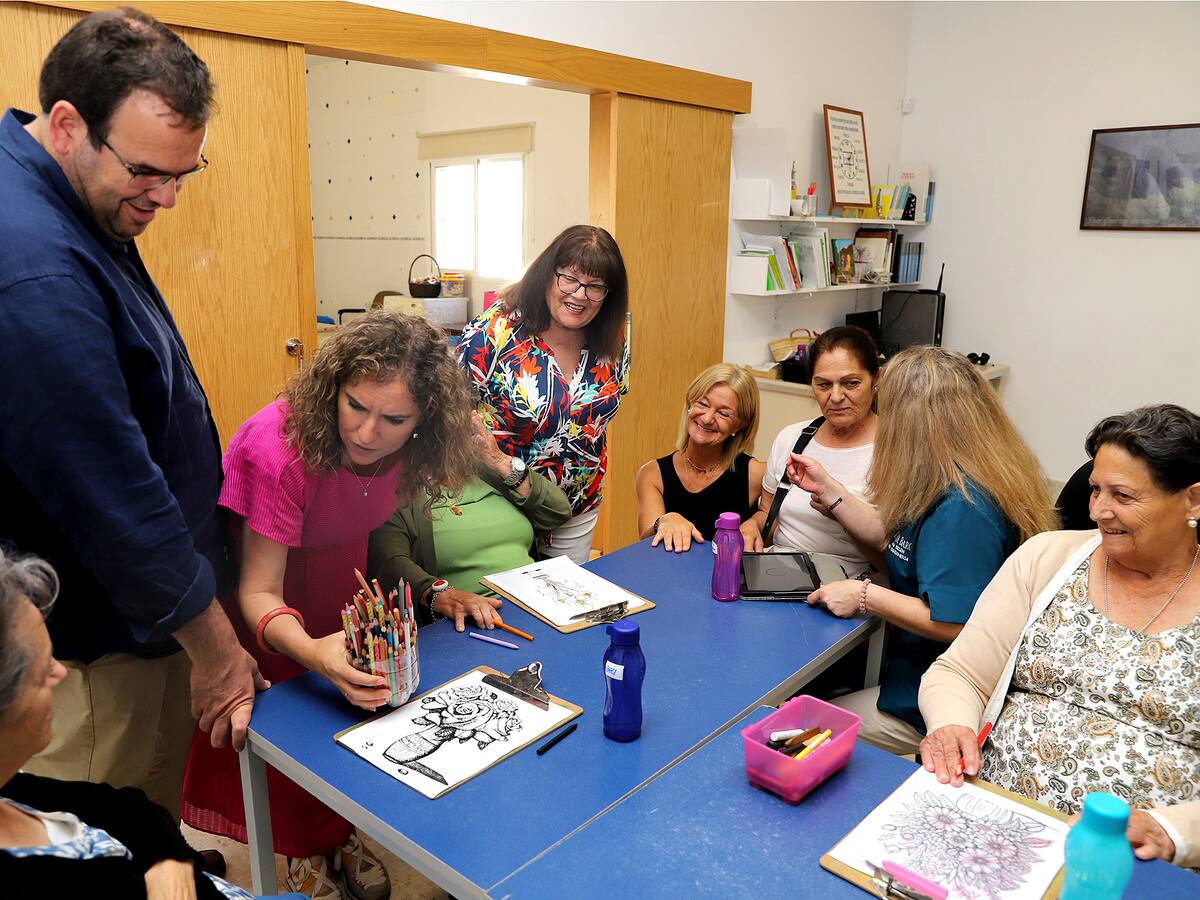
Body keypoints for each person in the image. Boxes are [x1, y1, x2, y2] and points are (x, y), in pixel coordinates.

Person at [0, 8, 264, 821]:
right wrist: (217, 650)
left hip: (132, 630)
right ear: (67, 125)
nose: (169, 197)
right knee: (109, 834)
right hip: (93, 658)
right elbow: (112, 495)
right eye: (148, 172)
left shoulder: (68, 192)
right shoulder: (33, 263)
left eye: (185, 172)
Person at [183, 311, 476, 899]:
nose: (367, 434)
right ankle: (300, 851)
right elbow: (258, 591)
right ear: (333, 388)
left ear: (425, 419)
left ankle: (339, 833)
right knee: (290, 732)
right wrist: (314, 652)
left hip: (341, 586)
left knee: (344, 724)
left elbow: (367, 520)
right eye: (355, 406)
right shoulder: (281, 450)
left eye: (394, 419)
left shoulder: (419, 450)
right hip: (271, 605)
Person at [919, 404, 1200, 868]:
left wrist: (1168, 831)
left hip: (1130, 863)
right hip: (988, 820)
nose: (1098, 511)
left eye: (1123, 496)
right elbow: (961, 673)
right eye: (1095, 489)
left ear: (1193, 501)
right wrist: (951, 727)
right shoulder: (1046, 558)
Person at [786, 347, 1057, 754]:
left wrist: (865, 595)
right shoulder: (945, 479)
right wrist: (831, 491)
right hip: (909, 673)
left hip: (934, 703)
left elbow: (957, 623)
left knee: (792, 729)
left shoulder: (963, 510)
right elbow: (898, 548)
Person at [0, 546, 255, 899]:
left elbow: (129, 807)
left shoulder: (15, 789)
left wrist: (170, 859)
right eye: (40, 670)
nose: (60, 673)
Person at [458, 225, 630, 564]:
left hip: (577, 508)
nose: (580, 295)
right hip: (499, 503)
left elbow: (605, 408)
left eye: (595, 286)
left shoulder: (615, 338)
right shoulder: (494, 331)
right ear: (548, 274)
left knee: (565, 595)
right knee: (506, 596)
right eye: (569, 278)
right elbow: (449, 413)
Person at [367, 413, 572, 626]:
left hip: (542, 598)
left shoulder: (484, 469)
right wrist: (443, 596)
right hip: (482, 617)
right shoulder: (396, 489)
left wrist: (499, 460)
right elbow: (389, 561)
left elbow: (557, 512)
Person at [743, 327, 882, 577]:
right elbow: (767, 513)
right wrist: (752, 525)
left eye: (851, 383)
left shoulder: (894, 450)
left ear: (876, 379)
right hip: (780, 576)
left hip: (853, 585)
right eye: (823, 384)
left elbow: (899, 565)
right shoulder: (792, 439)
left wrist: (842, 513)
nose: (836, 396)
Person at [635, 364, 764, 552]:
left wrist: (755, 522)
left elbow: (776, 524)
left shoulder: (756, 474)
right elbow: (645, 544)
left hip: (729, 572)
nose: (706, 418)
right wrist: (664, 521)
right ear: (690, 403)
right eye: (703, 404)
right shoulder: (652, 473)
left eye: (723, 413)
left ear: (740, 425)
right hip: (668, 570)